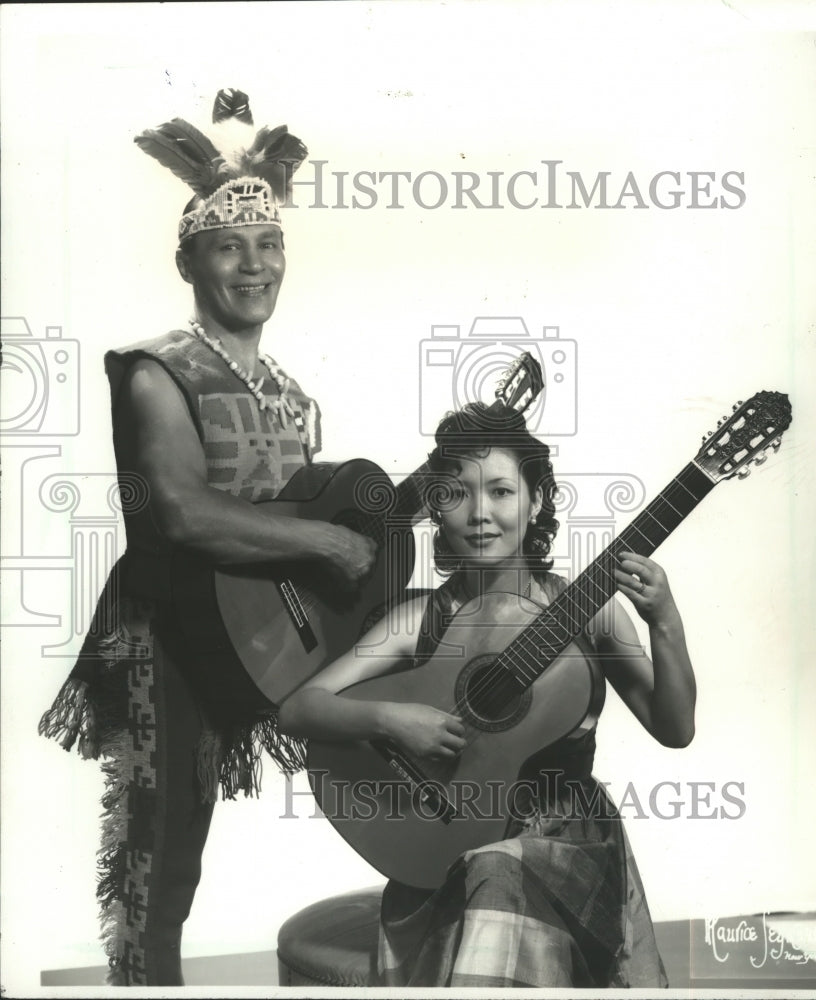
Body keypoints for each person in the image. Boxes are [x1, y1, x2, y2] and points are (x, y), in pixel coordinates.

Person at [39, 90, 376, 985]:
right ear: (191, 259)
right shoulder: (157, 370)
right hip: (163, 635)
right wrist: (326, 546)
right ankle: (143, 984)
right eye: (231, 246)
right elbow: (181, 513)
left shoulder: (296, 394)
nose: (255, 264)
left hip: (249, 634)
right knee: (162, 835)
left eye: (269, 245)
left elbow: (302, 519)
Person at [278, 401, 696, 988]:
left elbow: (675, 729)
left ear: (536, 502)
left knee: (497, 872)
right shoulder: (420, 619)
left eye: (501, 491)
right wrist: (392, 719)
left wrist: (665, 624)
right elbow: (297, 708)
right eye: (456, 494)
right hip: (445, 846)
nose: (480, 514)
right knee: (488, 872)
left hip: (565, 849)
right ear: (435, 508)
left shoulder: (591, 613)